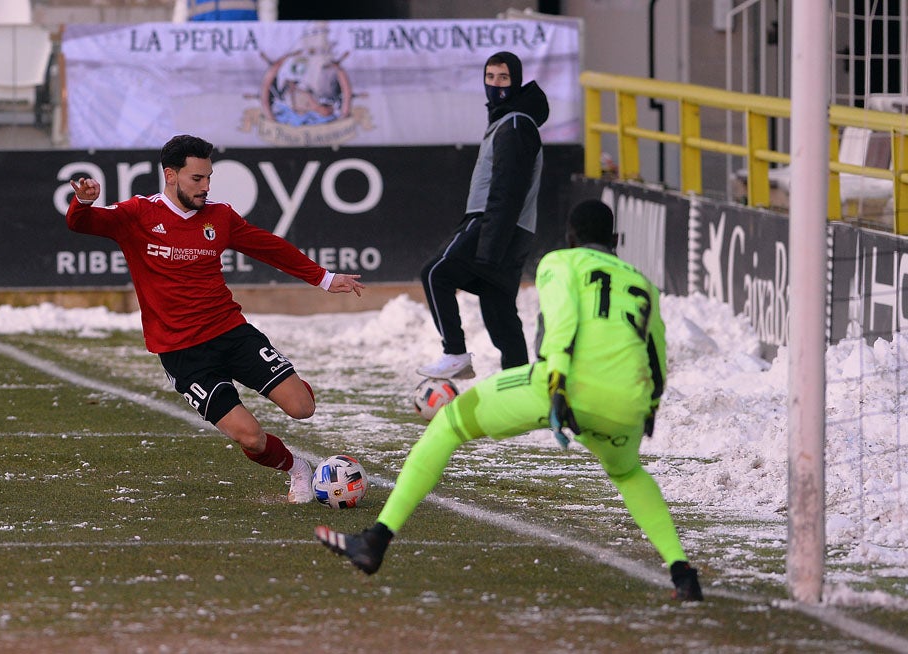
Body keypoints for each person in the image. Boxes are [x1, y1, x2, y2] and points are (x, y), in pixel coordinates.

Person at [316, 199, 704, 602]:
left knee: (448, 425)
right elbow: (657, 348)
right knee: (627, 475)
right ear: (615, 240)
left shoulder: (560, 262)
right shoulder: (642, 282)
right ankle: (683, 575)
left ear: (570, 237)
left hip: (564, 385)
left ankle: (375, 541)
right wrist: (650, 405)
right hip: (629, 402)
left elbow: (563, 321)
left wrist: (556, 387)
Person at [66, 134, 365, 504]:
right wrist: (82, 201)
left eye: (209, 177)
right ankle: (296, 468)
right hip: (183, 354)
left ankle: (287, 381)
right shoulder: (138, 214)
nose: (206, 186)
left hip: (230, 333)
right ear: (170, 175)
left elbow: (268, 246)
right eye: (197, 179)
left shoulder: (219, 217)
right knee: (250, 437)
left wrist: (323, 277)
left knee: (302, 408)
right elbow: (82, 223)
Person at [416, 51, 550, 380]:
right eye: (490, 78)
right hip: (513, 229)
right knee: (499, 309)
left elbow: (508, 190)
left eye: (503, 78)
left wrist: (489, 248)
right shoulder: (510, 121)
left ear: (516, 81)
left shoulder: (516, 124)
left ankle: (455, 353)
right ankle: (519, 383)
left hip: (493, 222)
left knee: (436, 273)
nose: (496, 85)